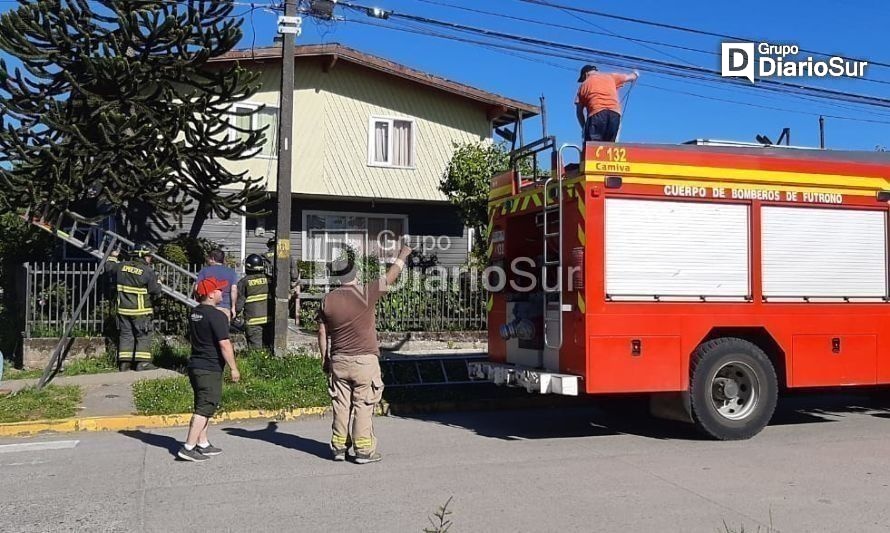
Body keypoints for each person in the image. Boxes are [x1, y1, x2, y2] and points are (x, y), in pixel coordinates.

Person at [316, 242, 413, 464]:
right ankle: (363, 451)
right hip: (364, 362)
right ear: (355, 273)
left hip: (339, 360)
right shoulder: (366, 293)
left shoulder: (327, 300)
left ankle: (339, 447)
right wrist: (403, 254)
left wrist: (325, 359)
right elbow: (391, 275)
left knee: (341, 405)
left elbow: (322, 333)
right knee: (363, 405)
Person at [177, 277, 241, 462]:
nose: (223, 292)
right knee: (206, 406)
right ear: (212, 294)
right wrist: (234, 368)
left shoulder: (194, 313)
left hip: (196, 365)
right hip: (210, 367)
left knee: (202, 404)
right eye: (220, 290)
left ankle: (202, 443)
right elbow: (224, 344)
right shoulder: (217, 316)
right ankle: (188, 446)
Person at [106, 243, 162, 372]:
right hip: (140, 311)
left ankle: (124, 363)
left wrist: (113, 256)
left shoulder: (121, 266)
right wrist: (159, 282)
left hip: (123, 310)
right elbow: (155, 290)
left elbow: (109, 268)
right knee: (143, 335)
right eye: (148, 256)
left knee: (126, 335)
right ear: (142, 255)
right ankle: (142, 363)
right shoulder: (147, 271)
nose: (150, 259)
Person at [575, 64, 639, 142]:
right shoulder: (611, 76)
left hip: (596, 115)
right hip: (615, 116)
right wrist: (635, 73)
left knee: (593, 148)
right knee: (609, 147)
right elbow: (631, 77)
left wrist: (584, 128)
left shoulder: (583, 86)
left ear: (585, 74)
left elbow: (579, 112)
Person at [235, 253, 271, 350]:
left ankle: (256, 364)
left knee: (256, 351)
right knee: (269, 348)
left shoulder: (244, 282)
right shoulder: (269, 280)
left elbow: (239, 304)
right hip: (269, 321)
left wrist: (234, 315)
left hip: (253, 323)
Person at [195, 248, 239, 319]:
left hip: (208, 308)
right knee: (222, 329)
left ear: (212, 258)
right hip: (225, 308)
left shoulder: (204, 271)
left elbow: (196, 288)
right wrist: (233, 307)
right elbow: (234, 290)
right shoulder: (231, 272)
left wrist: (199, 300)